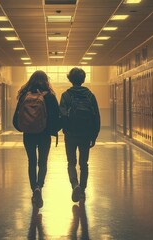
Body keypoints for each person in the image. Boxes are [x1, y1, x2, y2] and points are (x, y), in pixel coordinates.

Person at [13, 70, 61, 208]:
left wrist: (23, 127)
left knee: (31, 162)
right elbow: (56, 117)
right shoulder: (50, 96)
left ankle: (34, 189)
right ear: (46, 81)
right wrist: (53, 130)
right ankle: (40, 186)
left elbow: (15, 118)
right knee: (43, 163)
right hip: (44, 134)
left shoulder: (24, 95)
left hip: (28, 134)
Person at [59, 67, 100, 203]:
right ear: (83, 79)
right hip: (86, 134)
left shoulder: (66, 95)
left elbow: (63, 115)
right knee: (84, 163)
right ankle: (82, 190)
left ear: (70, 79)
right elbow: (96, 117)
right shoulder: (90, 95)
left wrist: (65, 130)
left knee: (71, 162)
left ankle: (74, 185)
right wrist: (94, 136)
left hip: (71, 134)